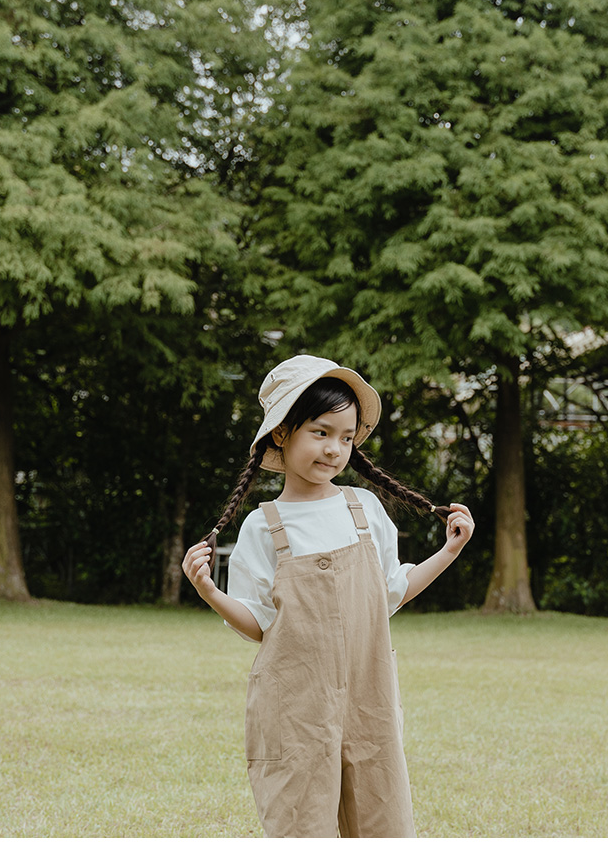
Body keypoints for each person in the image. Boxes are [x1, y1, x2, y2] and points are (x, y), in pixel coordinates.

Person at [182, 354, 474, 838]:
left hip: (369, 701)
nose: (334, 449)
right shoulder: (263, 525)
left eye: (345, 437)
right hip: (295, 710)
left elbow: (393, 591)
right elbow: (258, 624)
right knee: (301, 827)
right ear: (282, 433)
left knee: (383, 825)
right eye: (320, 432)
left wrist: (450, 551)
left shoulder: (365, 508)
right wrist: (208, 590)